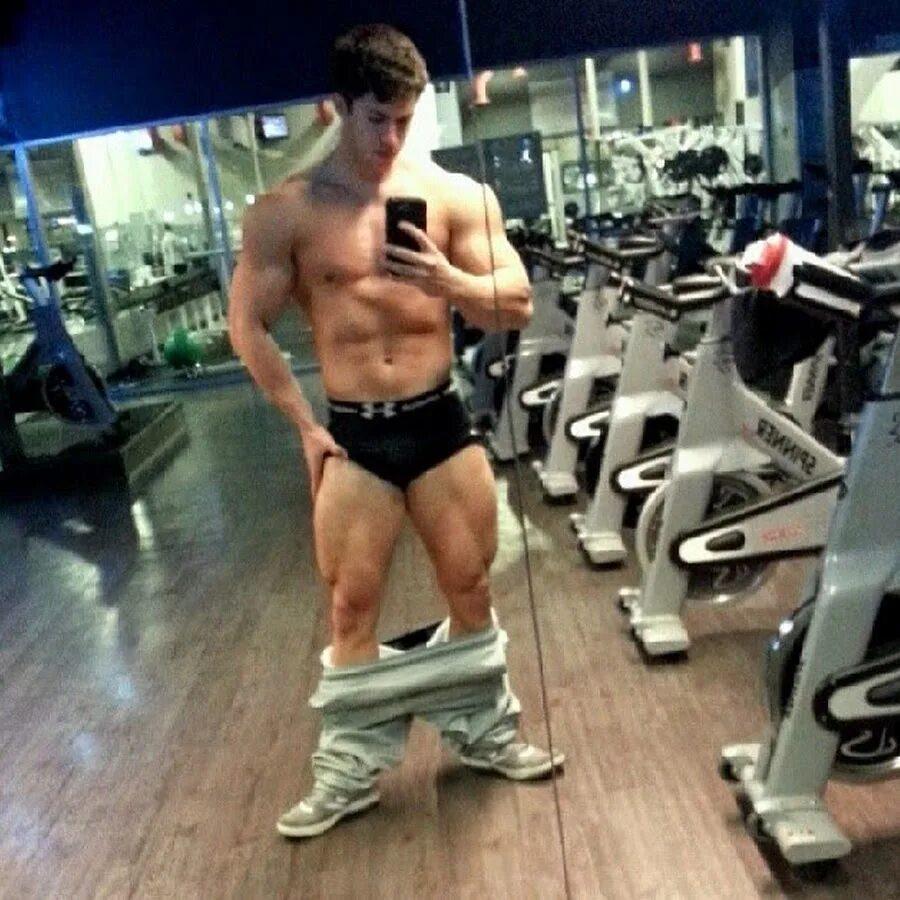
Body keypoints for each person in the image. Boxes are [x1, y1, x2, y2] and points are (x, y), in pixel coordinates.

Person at [228, 23, 563, 840]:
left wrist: (446, 279)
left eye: (404, 120)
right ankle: (347, 770)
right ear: (338, 107)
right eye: (375, 118)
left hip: (439, 422)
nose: (390, 138)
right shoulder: (286, 213)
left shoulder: (454, 196)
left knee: (471, 587)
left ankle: (487, 733)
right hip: (356, 436)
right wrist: (304, 426)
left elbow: (516, 303)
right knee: (351, 606)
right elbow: (247, 326)